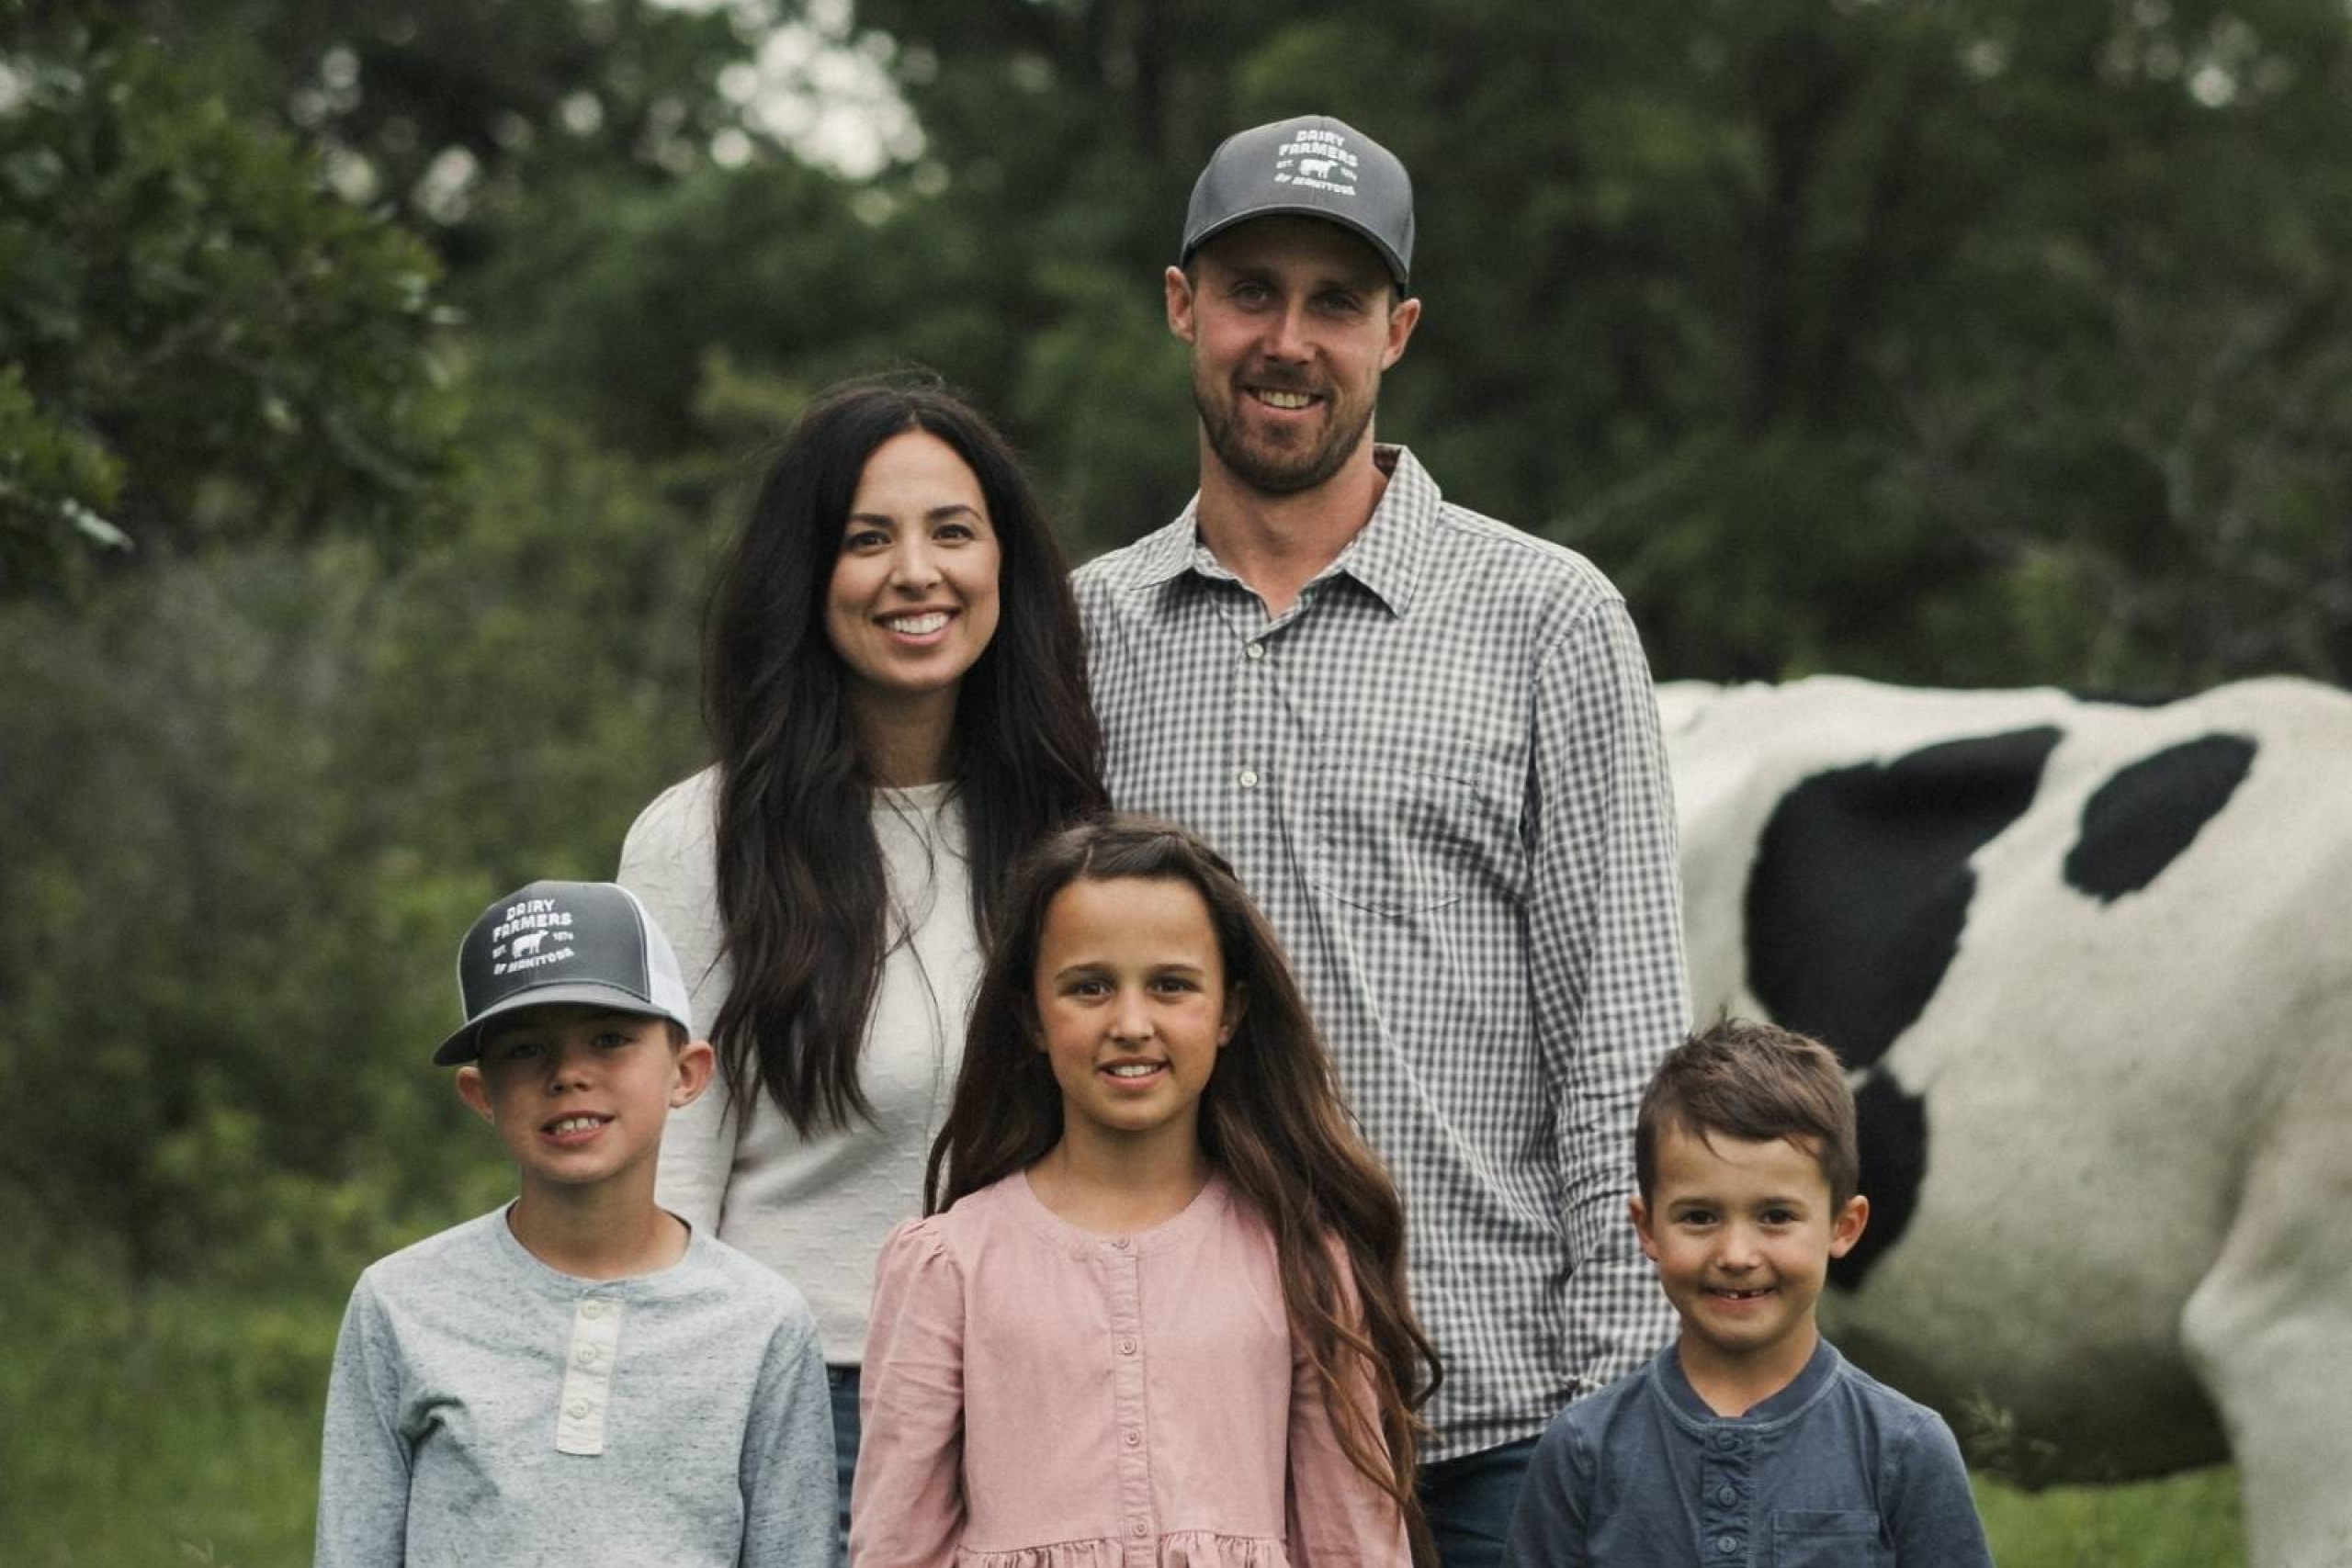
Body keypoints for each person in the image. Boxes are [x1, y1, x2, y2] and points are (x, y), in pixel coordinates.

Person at [1071, 114, 1690, 1564]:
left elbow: (1622, 1037)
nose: (1288, 339)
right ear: (1182, 305)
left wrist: (1621, 1407)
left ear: (1397, 330)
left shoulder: (1548, 617)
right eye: (1252, 291)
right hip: (1169, 1418)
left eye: (1336, 302)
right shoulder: (1083, 632)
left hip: (1487, 1418)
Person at [618, 371, 1106, 1541]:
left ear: (1007, 566)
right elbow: (658, 1186)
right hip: (803, 1407)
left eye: (953, 532)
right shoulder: (700, 839)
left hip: (1048, 1397)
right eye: (866, 540)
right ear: (807, 578)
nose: (916, 574)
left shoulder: (1077, 835)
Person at [849, 815, 1439, 1567]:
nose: (1131, 1022)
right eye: (1089, 987)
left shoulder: (1302, 1260)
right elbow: (896, 1544)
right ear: (1031, 1012)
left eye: (1171, 986)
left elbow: (1353, 1543)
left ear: (1229, 1011)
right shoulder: (949, 1265)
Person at [314, 879, 833, 1568]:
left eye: (610, 1038)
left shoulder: (763, 1321)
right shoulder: (399, 1302)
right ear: (481, 1092)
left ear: (686, 1072)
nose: (568, 1073)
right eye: (526, 1048)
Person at [1502, 1019, 1996, 1565]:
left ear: (1843, 1226)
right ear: (1646, 1228)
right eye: (1699, 1216)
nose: (1736, 1255)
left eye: (1776, 1216)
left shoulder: (1905, 1450)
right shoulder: (1582, 1452)